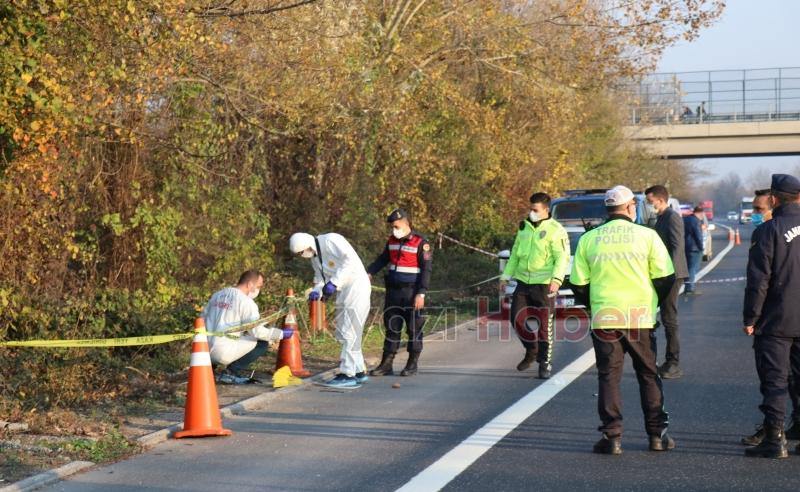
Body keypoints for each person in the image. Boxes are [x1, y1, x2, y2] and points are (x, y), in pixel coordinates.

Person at [570, 185, 676, 455]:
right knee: (648, 375)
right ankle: (657, 435)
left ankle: (612, 436)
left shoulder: (589, 239)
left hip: (605, 317)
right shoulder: (647, 236)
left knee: (609, 377)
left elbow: (578, 283)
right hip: (639, 316)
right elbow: (665, 278)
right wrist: (653, 302)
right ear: (631, 208)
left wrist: (595, 304)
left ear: (607, 209)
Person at [742, 174, 800, 458]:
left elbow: (758, 281)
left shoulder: (768, 231)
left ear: (774, 200)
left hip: (777, 319)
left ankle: (774, 439)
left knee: (775, 381)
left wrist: (750, 318)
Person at [499, 192, 570, 379]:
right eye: (530, 209)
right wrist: (505, 276)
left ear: (546, 210)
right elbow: (515, 254)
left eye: (535, 210)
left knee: (544, 326)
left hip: (544, 285)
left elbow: (561, 258)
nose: (531, 212)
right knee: (516, 319)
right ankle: (532, 349)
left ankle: (544, 362)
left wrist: (556, 280)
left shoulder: (556, 230)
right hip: (523, 282)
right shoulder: (524, 227)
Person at [290, 232, 371, 388]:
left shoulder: (331, 240)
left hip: (356, 287)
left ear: (307, 245)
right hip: (344, 291)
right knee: (343, 331)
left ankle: (347, 374)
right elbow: (321, 279)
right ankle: (359, 370)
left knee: (349, 331)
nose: (302, 255)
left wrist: (334, 282)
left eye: (301, 252)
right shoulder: (316, 258)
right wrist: (316, 291)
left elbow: (350, 262)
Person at [367, 208, 433, 377]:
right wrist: (369, 272)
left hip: (412, 293)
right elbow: (383, 259)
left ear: (406, 223)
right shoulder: (392, 241)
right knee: (391, 328)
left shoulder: (420, 242)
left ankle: (412, 364)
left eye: (396, 226)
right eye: (392, 227)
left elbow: (426, 270)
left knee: (413, 329)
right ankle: (386, 364)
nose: (393, 230)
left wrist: (421, 293)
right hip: (393, 292)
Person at [203, 270, 286, 384]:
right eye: (258, 286)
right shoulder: (246, 302)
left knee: (223, 337)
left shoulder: (218, 294)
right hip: (222, 353)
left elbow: (202, 319)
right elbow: (257, 332)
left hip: (203, 351)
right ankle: (231, 372)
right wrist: (280, 334)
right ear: (250, 284)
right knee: (262, 343)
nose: (258, 290)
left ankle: (209, 370)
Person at [645, 185, 688, 379]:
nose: (647, 205)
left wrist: (669, 274)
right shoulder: (660, 218)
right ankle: (664, 361)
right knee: (663, 318)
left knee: (670, 319)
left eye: (649, 201)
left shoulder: (672, 217)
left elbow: (677, 248)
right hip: (662, 274)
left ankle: (673, 362)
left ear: (660, 200)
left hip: (672, 275)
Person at [683, 205, 705, 294]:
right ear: (700, 213)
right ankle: (690, 288)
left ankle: (687, 286)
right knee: (693, 268)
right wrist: (701, 247)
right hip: (694, 248)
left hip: (686, 247)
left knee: (688, 268)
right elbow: (698, 236)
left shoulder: (685, 219)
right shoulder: (696, 221)